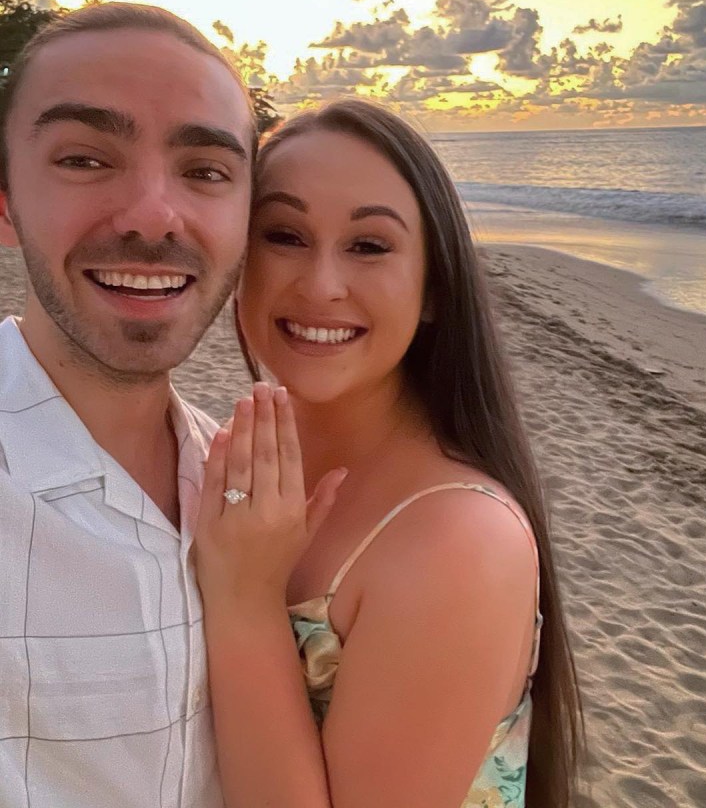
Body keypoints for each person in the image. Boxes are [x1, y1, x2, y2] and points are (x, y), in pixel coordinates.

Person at [194, 99, 583, 808]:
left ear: (434, 288)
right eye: (283, 235)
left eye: (369, 246)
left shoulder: (458, 542)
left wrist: (245, 601)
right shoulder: (244, 457)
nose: (320, 285)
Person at [0, 1, 260, 808]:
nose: (153, 214)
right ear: (5, 203)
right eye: (84, 159)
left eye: (207, 172)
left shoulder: (240, 484)